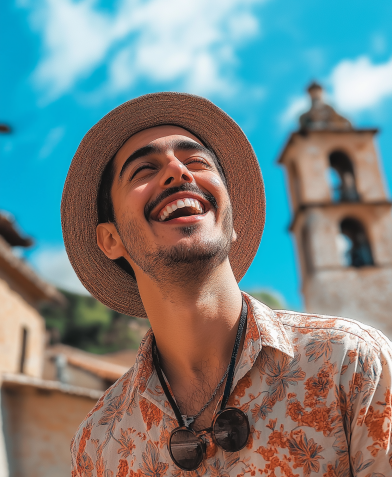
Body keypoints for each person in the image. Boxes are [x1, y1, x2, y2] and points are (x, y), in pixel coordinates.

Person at [63, 92, 392, 476]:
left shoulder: (349, 364)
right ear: (111, 239)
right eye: (144, 170)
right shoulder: (98, 444)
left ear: (232, 221)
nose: (177, 172)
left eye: (197, 162)